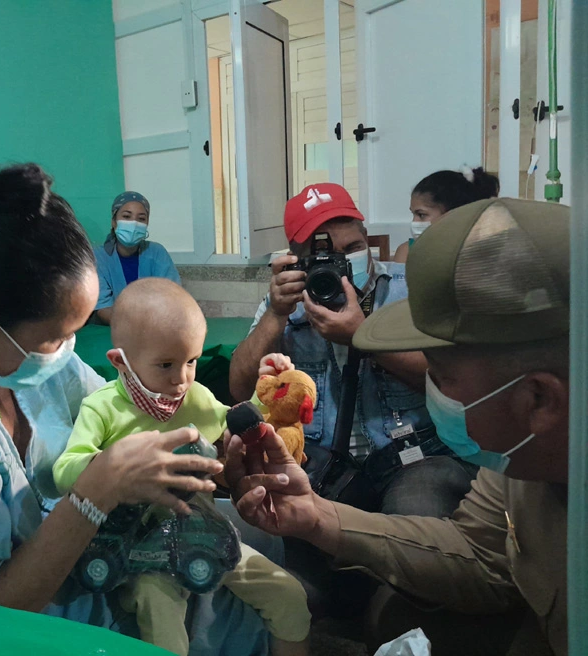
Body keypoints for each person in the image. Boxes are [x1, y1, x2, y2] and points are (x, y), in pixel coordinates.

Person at [0, 165, 274, 655]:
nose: (69, 350)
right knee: (247, 615)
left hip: (65, 554)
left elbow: (118, 411)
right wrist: (94, 492)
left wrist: (215, 457)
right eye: (58, 336)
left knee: (257, 547)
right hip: (3, 623)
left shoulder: (2, 354)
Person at [226, 197, 570, 656]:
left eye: (441, 377)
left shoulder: (407, 290)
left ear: (539, 400)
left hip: (411, 457)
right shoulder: (513, 471)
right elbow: (478, 555)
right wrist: (316, 517)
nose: (436, 392)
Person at [54, 278, 310, 656]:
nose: (181, 379)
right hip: (139, 551)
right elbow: (65, 470)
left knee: (288, 595)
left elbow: (233, 421)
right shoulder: (102, 407)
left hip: (202, 532)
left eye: (191, 361)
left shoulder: (194, 397)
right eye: (165, 365)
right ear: (119, 361)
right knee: (162, 622)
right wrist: (112, 467)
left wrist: (265, 390)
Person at [230, 183, 475, 519]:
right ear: (295, 259)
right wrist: (275, 315)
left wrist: (364, 337)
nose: (341, 261)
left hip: (417, 455)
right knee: (284, 521)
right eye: (324, 254)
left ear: (367, 239)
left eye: (352, 247)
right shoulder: (282, 306)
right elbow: (241, 390)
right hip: (323, 464)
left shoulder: (411, 290)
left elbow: (455, 383)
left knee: (417, 510)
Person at [93, 191, 180, 325]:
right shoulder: (99, 257)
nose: (134, 223)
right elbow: (102, 307)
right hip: (111, 330)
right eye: (127, 216)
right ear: (114, 222)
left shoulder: (157, 253)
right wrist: (132, 326)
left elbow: (172, 298)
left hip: (154, 328)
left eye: (141, 219)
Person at [393, 167, 499, 263]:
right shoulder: (407, 252)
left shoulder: (482, 253)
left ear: (452, 215)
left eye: (421, 215)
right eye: (413, 214)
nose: (414, 222)